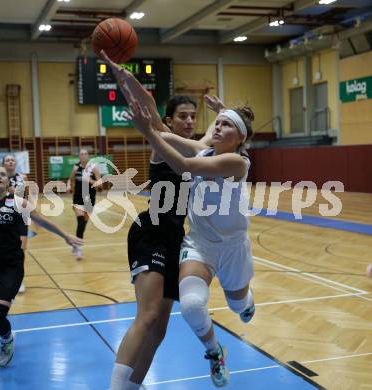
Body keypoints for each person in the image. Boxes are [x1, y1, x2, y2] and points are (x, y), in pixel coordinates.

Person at [100, 51, 224, 390]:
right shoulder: (162, 139)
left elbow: (210, 137)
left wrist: (221, 114)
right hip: (151, 230)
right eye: (181, 116)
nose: (187, 120)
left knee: (160, 330)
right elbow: (148, 103)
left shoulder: (196, 147)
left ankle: (131, 387)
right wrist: (122, 76)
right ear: (168, 121)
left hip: (175, 239)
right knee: (149, 316)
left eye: (192, 116)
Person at [126, 93, 256, 388]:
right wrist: (126, 81)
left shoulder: (238, 162)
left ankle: (245, 302)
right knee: (192, 306)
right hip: (200, 245)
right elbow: (166, 135)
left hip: (233, 247)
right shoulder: (202, 151)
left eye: (226, 125)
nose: (217, 128)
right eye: (217, 123)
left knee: (238, 306)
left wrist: (148, 132)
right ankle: (214, 350)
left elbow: (185, 165)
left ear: (240, 138)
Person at [0, 165, 83, 367]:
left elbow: (42, 221)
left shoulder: (18, 203)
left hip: (9, 267)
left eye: (3, 174)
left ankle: (7, 339)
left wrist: (66, 236)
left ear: (8, 181)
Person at [67, 149, 101, 260]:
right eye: (81, 154)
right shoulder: (75, 168)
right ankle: (78, 248)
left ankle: (75, 243)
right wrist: (69, 187)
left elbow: (100, 185)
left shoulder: (94, 168)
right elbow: (70, 180)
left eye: (85, 154)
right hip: (78, 198)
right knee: (81, 221)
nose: (83, 155)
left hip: (90, 199)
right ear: (79, 157)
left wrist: (90, 180)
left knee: (83, 224)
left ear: (88, 156)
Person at [3, 154, 28, 293]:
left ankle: (19, 280)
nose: (10, 162)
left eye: (12, 160)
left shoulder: (22, 177)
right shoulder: (0, 177)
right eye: (8, 160)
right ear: (4, 163)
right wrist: (8, 192)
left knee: (21, 250)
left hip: (21, 215)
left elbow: (26, 195)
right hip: (5, 215)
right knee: (5, 248)